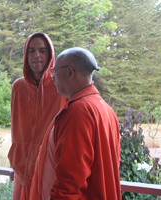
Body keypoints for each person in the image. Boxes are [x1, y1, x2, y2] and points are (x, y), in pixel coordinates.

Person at [30, 47, 121, 200]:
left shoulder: (78, 111)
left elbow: (70, 181)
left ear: (70, 72)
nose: (52, 78)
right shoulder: (106, 109)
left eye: (55, 72)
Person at [8, 32, 66, 200]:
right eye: (31, 51)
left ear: (50, 54)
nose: (36, 56)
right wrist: (15, 161)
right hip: (22, 172)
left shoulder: (60, 87)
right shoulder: (18, 87)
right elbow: (14, 128)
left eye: (42, 50)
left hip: (49, 171)